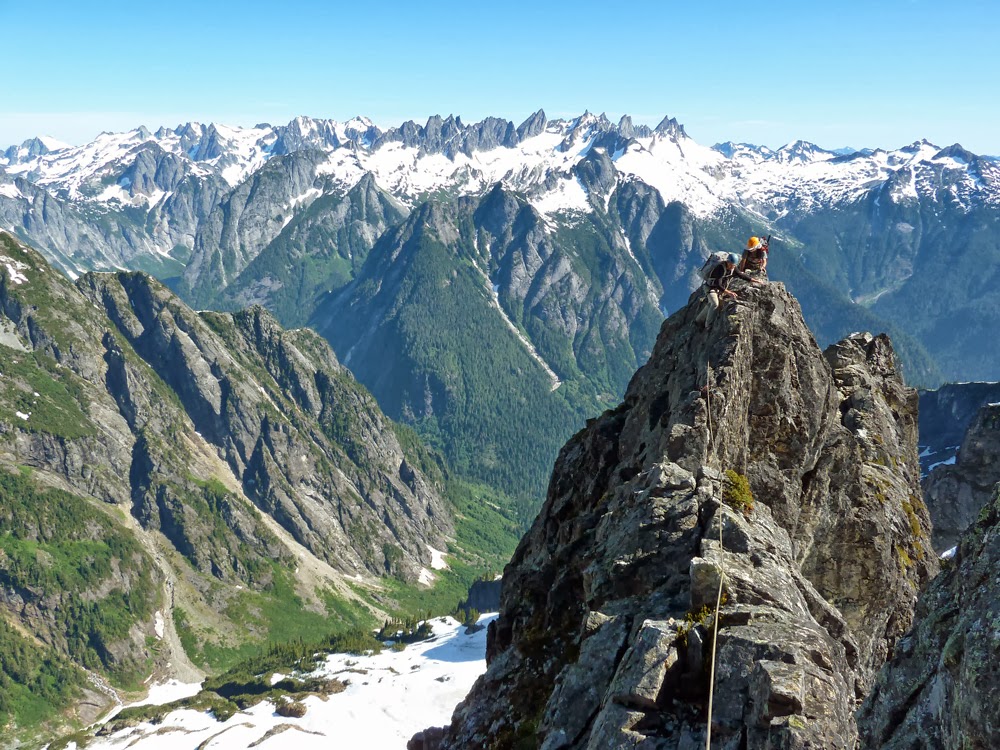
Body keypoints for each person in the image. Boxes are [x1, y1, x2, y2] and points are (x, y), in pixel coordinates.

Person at [695, 253, 763, 327]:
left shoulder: (733, 268)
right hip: (710, 288)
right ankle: (708, 325)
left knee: (710, 304)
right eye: (730, 264)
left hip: (717, 289)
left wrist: (755, 280)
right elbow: (718, 284)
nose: (732, 266)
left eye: (733, 265)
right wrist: (729, 293)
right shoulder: (720, 268)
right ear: (727, 262)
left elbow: (741, 275)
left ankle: (698, 321)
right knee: (715, 304)